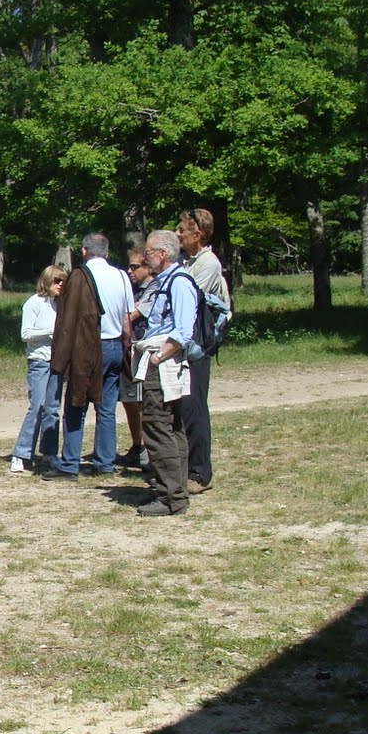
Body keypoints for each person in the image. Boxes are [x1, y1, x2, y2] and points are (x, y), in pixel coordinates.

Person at [45, 233, 134, 480]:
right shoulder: (121, 276)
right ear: (106, 252)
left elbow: (67, 319)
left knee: (76, 405)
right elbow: (128, 320)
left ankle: (70, 463)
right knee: (106, 409)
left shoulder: (78, 277)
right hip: (115, 345)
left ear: (84, 251)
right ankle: (105, 462)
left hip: (86, 349)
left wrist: (61, 355)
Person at [132, 230, 198, 515]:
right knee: (171, 426)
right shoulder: (166, 281)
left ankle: (171, 497)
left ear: (162, 253)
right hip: (163, 361)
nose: (145, 257)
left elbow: (183, 330)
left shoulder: (180, 283)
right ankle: (175, 491)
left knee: (159, 426)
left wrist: (158, 357)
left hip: (165, 364)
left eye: (148, 252)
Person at [177, 208, 231, 495]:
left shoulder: (208, 264)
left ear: (197, 234)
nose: (177, 234)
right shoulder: (189, 261)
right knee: (184, 408)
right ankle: (184, 468)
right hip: (187, 346)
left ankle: (200, 473)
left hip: (198, 348)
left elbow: (188, 298)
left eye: (182, 230)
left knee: (195, 408)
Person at [10, 265, 67, 474]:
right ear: (46, 282)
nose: (60, 285)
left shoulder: (60, 305)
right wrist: (48, 332)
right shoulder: (33, 303)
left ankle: (50, 453)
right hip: (39, 361)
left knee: (52, 409)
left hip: (56, 362)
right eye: (56, 281)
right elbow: (25, 334)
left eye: (63, 282)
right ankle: (21, 453)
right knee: (37, 406)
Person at [118, 246, 157, 468]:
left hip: (144, 353)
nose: (130, 271)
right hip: (129, 351)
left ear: (147, 267)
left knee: (142, 402)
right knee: (129, 400)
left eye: (134, 266)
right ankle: (136, 446)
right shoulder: (134, 289)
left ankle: (148, 450)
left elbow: (132, 315)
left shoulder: (154, 289)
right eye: (129, 266)